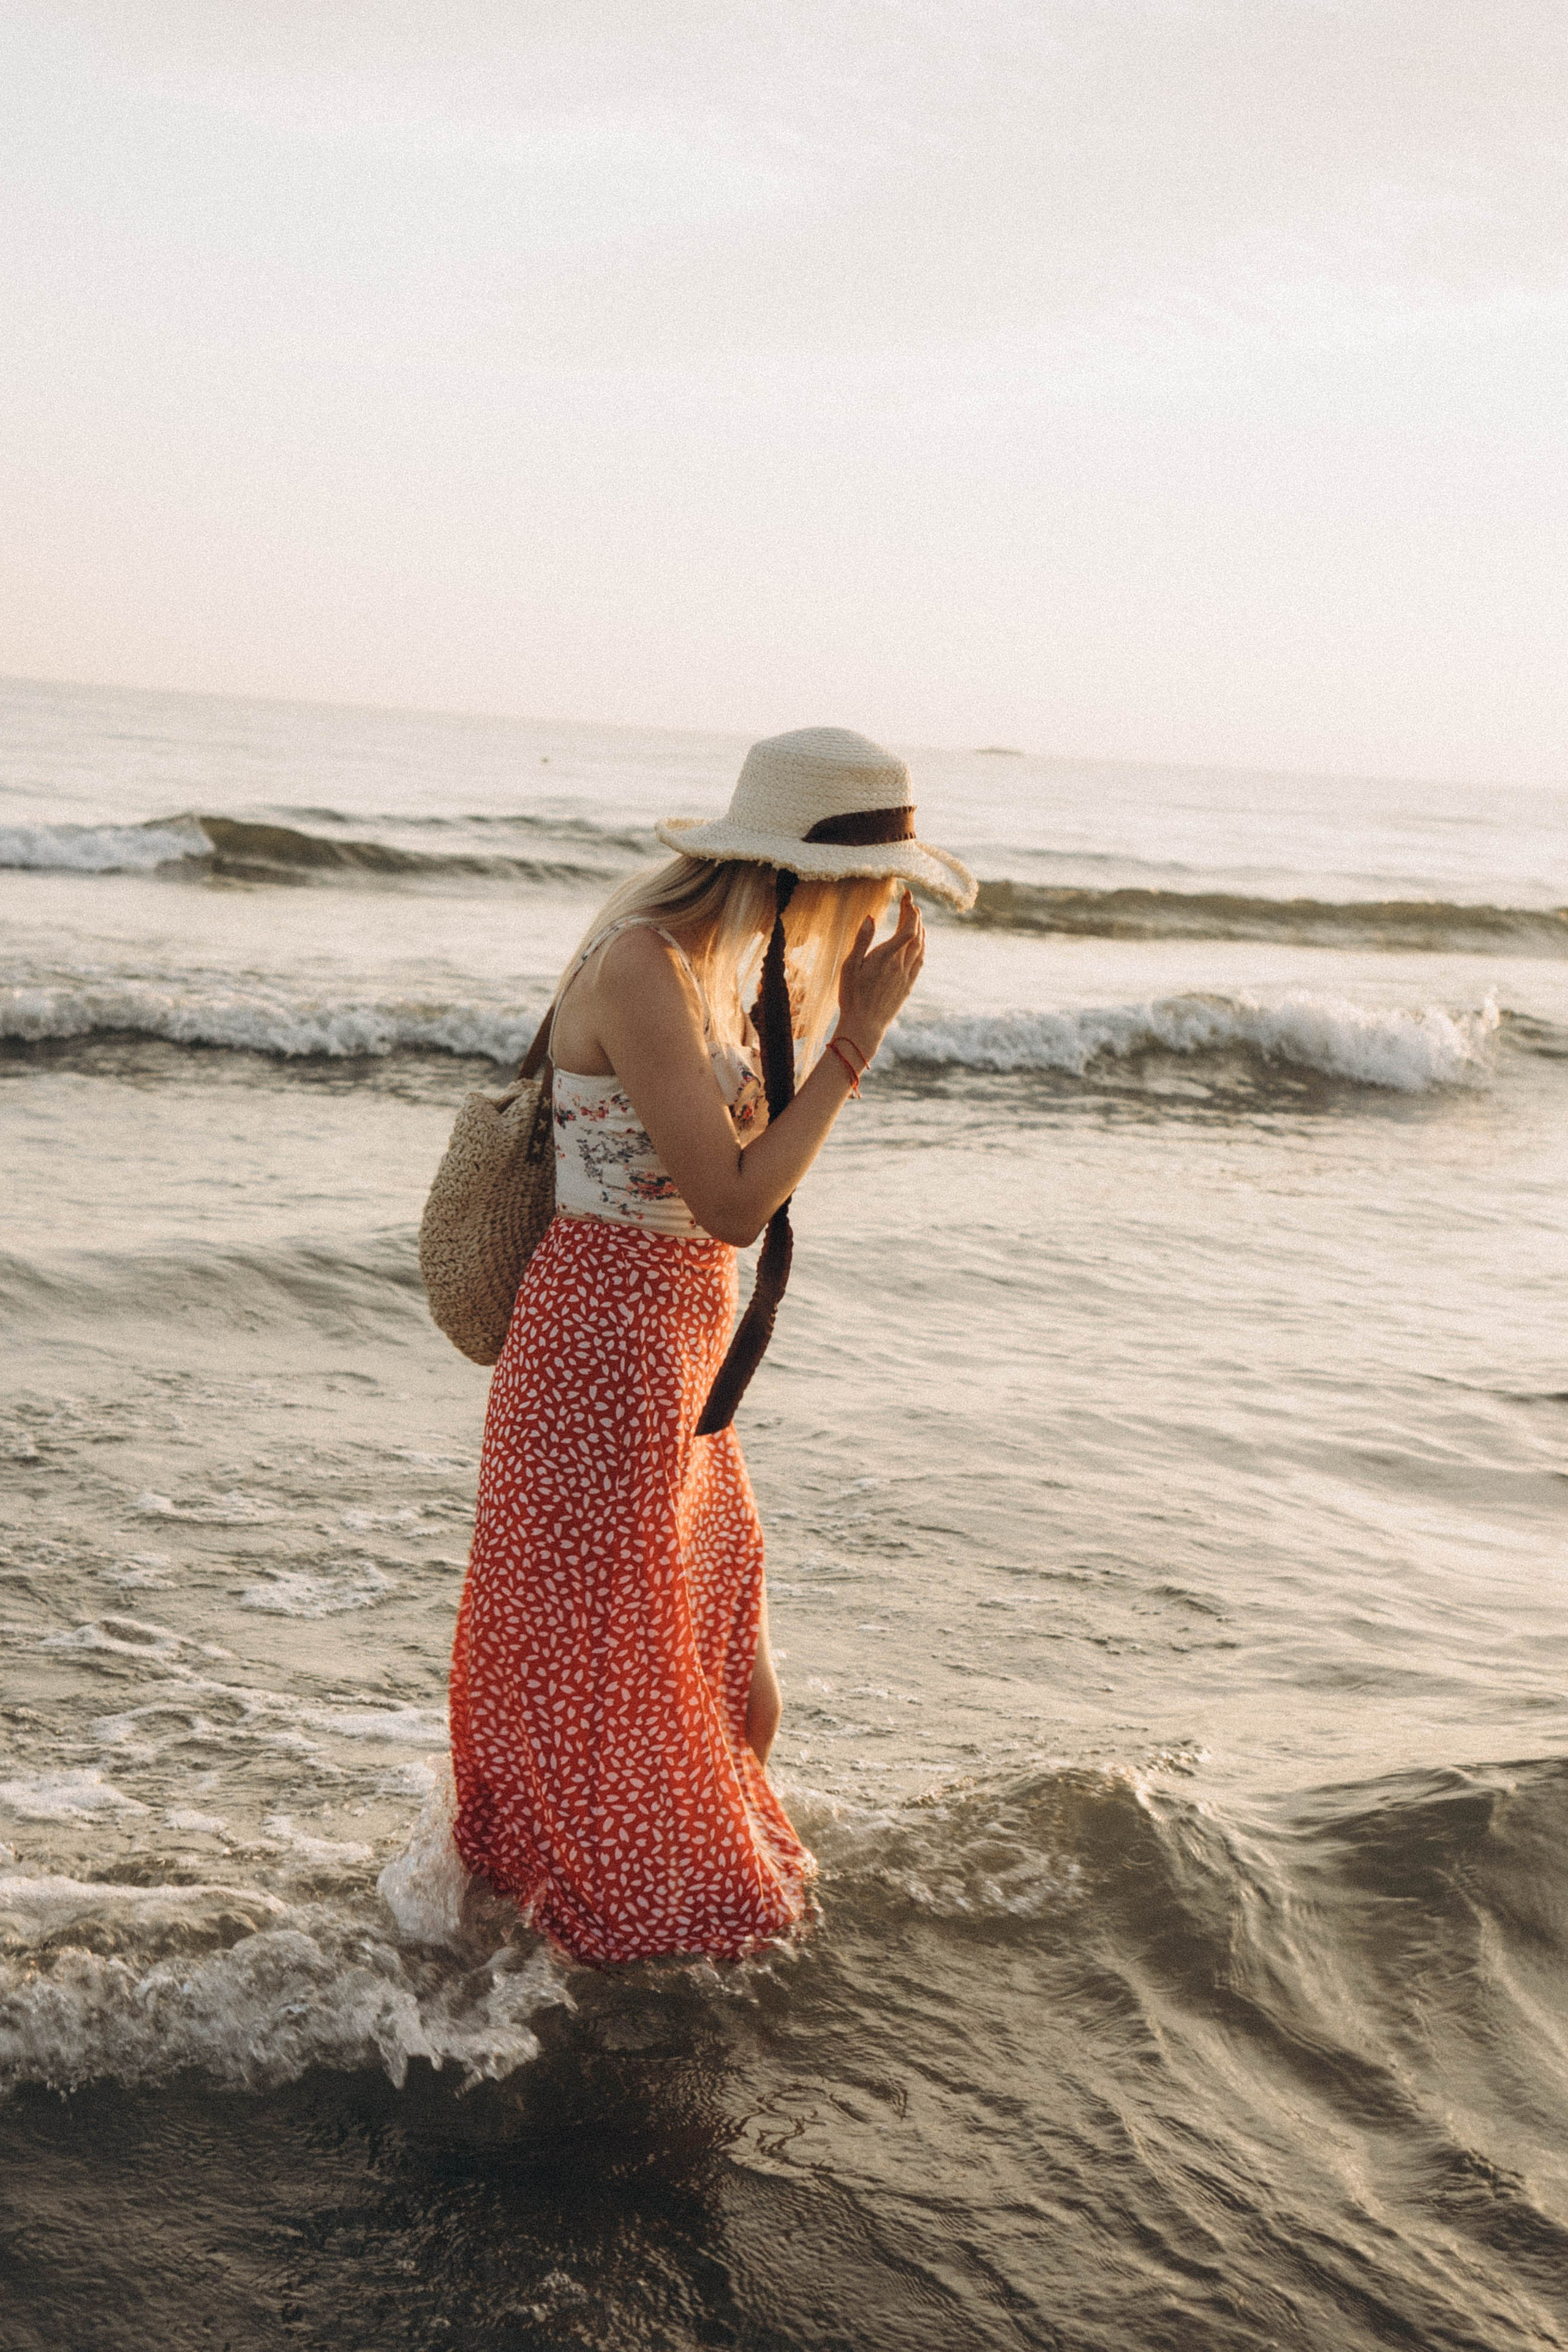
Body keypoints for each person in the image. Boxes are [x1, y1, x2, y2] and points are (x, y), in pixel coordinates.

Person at [447, 728, 976, 1964]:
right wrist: (857, 1041)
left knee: (730, 1683)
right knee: (617, 1680)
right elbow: (736, 1201)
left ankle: (589, 1921)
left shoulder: (713, 973)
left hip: (676, 1361)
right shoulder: (642, 966)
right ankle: (600, 1929)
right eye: (877, 884)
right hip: (604, 1358)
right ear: (798, 872)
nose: (886, 909)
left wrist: (819, 1029)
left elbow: (730, 1200)